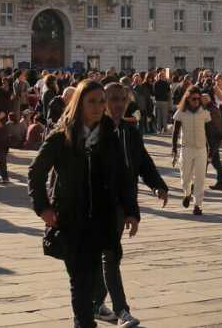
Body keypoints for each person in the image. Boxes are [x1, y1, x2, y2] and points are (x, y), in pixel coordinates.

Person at [28, 79, 140, 328]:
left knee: (90, 281)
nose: (99, 107)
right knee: (80, 282)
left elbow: (122, 176)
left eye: (101, 102)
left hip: (102, 219)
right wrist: (43, 207)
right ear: (79, 104)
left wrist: (131, 211)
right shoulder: (61, 136)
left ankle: (88, 318)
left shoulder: (109, 136)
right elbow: (36, 171)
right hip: (71, 219)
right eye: (92, 102)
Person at [92, 82, 167, 328]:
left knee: (109, 255)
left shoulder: (129, 131)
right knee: (110, 255)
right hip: (98, 203)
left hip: (121, 202)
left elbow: (143, 162)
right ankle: (121, 310)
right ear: (103, 102)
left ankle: (96, 304)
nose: (118, 104)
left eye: (122, 100)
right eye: (112, 99)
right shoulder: (94, 131)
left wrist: (157, 185)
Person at [171, 86, 212, 215]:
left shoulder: (204, 112)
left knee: (200, 178)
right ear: (188, 99)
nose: (196, 101)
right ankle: (187, 193)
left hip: (201, 149)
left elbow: (209, 132)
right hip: (186, 148)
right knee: (185, 176)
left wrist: (211, 148)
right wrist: (174, 148)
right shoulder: (181, 112)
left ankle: (198, 205)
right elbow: (175, 131)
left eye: (198, 99)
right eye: (194, 99)